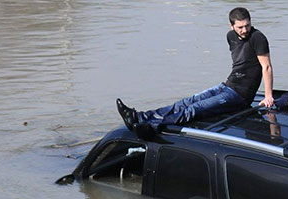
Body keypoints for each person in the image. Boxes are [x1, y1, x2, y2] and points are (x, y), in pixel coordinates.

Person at [116, 7, 274, 138]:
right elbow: (240, 63)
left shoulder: (257, 38)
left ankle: (150, 126)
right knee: (185, 103)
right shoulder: (230, 36)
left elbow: (266, 67)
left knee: (194, 109)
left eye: (247, 25)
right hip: (227, 85)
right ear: (231, 26)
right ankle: (138, 117)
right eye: (240, 27)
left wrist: (268, 96)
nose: (245, 30)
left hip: (240, 95)